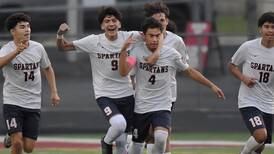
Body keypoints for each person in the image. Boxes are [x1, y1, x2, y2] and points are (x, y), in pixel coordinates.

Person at [120, 17, 225, 154]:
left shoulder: (171, 54)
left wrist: (211, 85)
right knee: (137, 147)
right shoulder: (136, 52)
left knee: (161, 137)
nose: (154, 39)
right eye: (151, 36)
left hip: (162, 104)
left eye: (158, 35)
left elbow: (190, 71)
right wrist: (123, 51)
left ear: (162, 35)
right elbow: (124, 72)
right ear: (144, 36)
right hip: (141, 106)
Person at [56, 7, 139, 154]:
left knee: (121, 145)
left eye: (114, 20)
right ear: (102, 26)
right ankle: (106, 142)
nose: (111, 23)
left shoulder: (130, 36)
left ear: (119, 24)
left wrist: (163, 29)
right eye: (107, 21)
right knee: (119, 124)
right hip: (105, 95)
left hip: (127, 93)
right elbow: (63, 47)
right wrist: (60, 34)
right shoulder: (93, 41)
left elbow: (153, 34)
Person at [0, 12, 60, 154]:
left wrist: (54, 92)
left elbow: (47, 68)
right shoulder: (6, 49)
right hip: (12, 101)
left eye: (28, 26)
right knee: (18, 143)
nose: (27, 30)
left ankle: (9, 136)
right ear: (13, 31)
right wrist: (16, 52)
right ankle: (13, 136)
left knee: (28, 148)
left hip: (33, 102)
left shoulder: (38, 48)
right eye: (22, 27)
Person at [142, 2, 189, 153]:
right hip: (144, 93)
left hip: (167, 92)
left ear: (167, 21)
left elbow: (184, 65)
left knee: (163, 131)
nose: (159, 23)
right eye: (155, 20)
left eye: (162, 20)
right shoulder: (141, 38)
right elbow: (130, 62)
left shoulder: (176, 41)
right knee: (148, 133)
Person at [228, 12, 274, 154]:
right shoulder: (248, 47)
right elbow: (232, 65)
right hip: (249, 100)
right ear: (260, 29)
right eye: (266, 26)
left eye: (273, 27)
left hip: (269, 102)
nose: (270, 30)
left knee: (260, 145)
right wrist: (244, 78)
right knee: (261, 135)